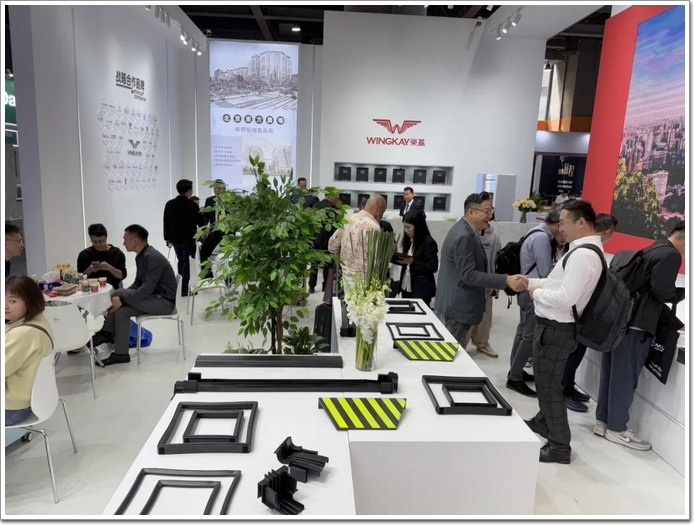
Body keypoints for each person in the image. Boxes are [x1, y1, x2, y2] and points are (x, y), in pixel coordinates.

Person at [525, 200, 604, 464]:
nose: (560, 228)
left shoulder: (582, 255)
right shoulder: (582, 251)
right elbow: (557, 283)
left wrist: (536, 294)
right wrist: (530, 282)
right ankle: (544, 421)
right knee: (547, 382)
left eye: (564, 223)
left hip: (557, 330)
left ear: (581, 223)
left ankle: (559, 446)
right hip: (554, 328)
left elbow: (566, 297)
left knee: (549, 388)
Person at [594, 220, 685, 450]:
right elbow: (662, 291)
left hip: (620, 321)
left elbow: (648, 290)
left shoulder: (652, 249)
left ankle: (603, 421)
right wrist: (680, 294)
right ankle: (617, 428)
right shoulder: (670, 255)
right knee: (625, 378)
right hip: (636, 326)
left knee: (611, 373)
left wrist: (676, 322)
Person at [435, 192, 526, 348]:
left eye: (491, 211)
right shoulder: (463, 236)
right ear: (471, 212)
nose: (490, 216)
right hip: (458, 307)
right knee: (452, 355)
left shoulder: (465, 230)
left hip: (455, 304)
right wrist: (506, 279)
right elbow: (469, 275)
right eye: (486, 211)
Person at [91, 225, 177, 366]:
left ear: (135, 240)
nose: (123, 242)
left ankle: (105, 332)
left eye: (125, 239)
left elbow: (147, 288)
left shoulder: (151, 257)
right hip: (153, 298)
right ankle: (121, 353)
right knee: (121, 311)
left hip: (163, 302)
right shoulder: (142, 256)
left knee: (117, 293)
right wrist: (123, 298)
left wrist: (123, 298)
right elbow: (137, 283)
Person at [563, 213, 619, 413]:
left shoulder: (589, 250)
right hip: (577, 314)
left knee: (576, 354)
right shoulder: (586, 252)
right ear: (608, 231)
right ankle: (564, 392)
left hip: (585, 314)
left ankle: (569, 387)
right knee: (571, 355)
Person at [507, 208, 563, 397]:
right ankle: (515, 377)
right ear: (557, 224)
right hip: (531, 291)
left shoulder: (535, 231)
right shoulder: (542, 238)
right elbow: (545, 270)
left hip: (525, 288)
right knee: (529, 336)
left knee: (522, 332)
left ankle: (515, 369)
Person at [5, 275, 54, 426]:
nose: (5, 306)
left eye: (12, 301)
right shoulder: (38, 320)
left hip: (11, 407)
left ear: (30, 301)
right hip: (31, 398)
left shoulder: (24, 333)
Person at [328, 194, 385, 289]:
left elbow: (332, 246)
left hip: (346, 278)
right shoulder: (374, 227)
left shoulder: (348, 219)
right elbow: (377, 259)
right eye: (383, 211)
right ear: (379, 208)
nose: (382, 215)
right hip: (365, 280)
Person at [463, 223, 502, 357]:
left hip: (487, 283)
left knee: (485, 317)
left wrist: (496, 283)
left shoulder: (494, 236)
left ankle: (482, 343)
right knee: (466, 316)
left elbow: (497, 261)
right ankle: (461, 345)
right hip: (468, 284)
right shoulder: (467, 234)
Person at [164, 179, 201, 296]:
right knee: (188, 263)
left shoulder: (169, 204)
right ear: (188, 191)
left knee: (181, 261)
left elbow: (166, 222)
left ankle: (179, 287)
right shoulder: (192, 205)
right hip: (189, 239)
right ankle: (184, 288)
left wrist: (167, 238)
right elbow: (200, 222)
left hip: (175, 239)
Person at [395, 210, 438, 308]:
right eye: (404, 227)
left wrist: (413, 261)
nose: (406, 230)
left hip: (420, 289)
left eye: (408, 227)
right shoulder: (409, 241)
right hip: (406, 286)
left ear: (418, 227)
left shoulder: (428, 242)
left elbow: (433, 267)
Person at [76, 224, 128, 289]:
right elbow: (80, 277)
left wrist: (109, 268)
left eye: (101, 241)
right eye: (94, 241)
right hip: (90, 289)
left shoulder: (117, 253)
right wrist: (90, 269)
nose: (98, 244)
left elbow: (122, 275)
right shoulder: (84, 254)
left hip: (112, 288)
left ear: (106, 237)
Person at [308, 195, 339, 294]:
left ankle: (311, 286)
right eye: (336, 198)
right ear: (329, 196)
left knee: (314, 265)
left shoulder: (315, 206)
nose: (337, 200)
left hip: (315, 240)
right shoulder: (333, 210)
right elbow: (334, 227)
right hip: (327, 241)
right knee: (328, 265)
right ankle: (325, 286)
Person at [200, 180, 226, 278]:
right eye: (215, 188)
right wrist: (204, 228)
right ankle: (207, 276)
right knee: (204, 252)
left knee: (227, 255)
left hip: (227, 231)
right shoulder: (209, 200)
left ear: (224, 189)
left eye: (219, 188)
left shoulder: (231, 200)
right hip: (214, 230)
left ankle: (228, 278)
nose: (217, 190)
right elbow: (205, 216)